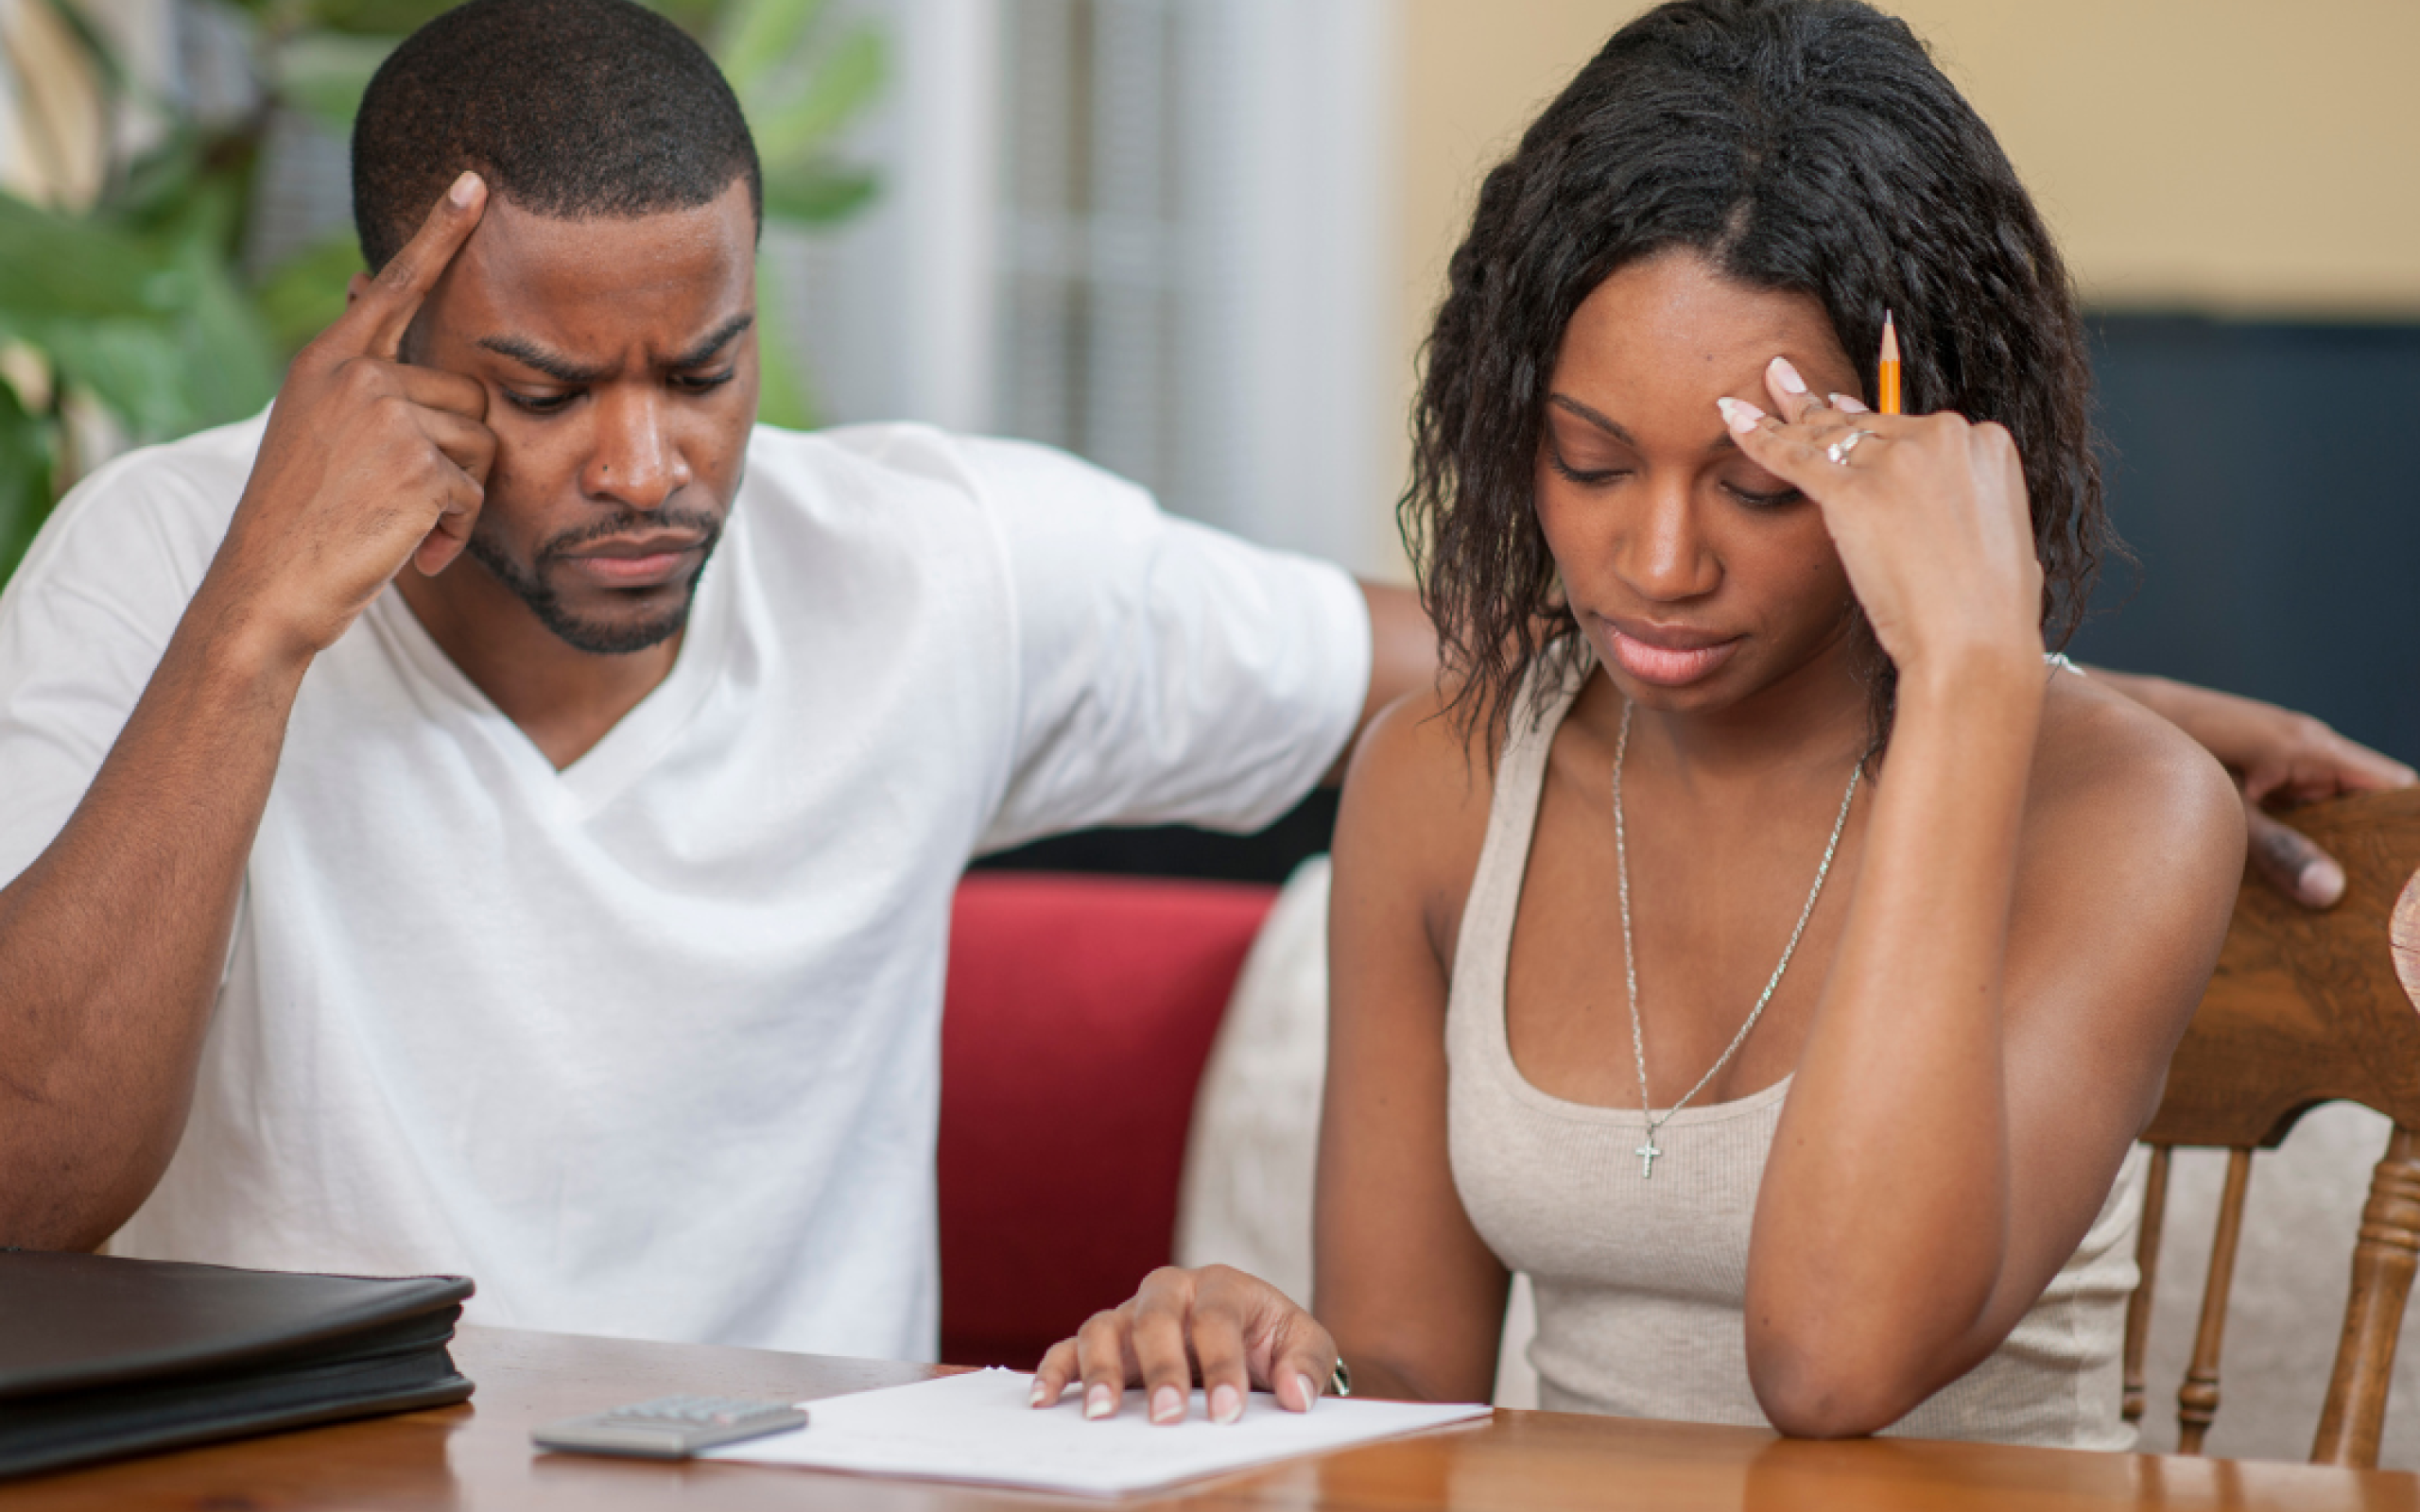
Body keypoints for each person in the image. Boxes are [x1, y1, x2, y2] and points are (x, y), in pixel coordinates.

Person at [0, 0, 2392, 1372]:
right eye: (538, 389)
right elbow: (29, 1190)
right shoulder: (151, 568)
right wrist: (253, 621)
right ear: (388, 352)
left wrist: (2016, 670)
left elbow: (1528, 653)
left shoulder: (924, 563)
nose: (645, 460)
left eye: (702, 367)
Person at [1030, 0, 2396, 1445]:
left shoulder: (2126, 811)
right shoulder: (1441, 780)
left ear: (1930, 453)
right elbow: (1407, 1384)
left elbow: (1834, 1366)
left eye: (1762, 486)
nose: (1663, 563)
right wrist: (1270, 1349)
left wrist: (1971, 676)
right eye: (1591, 461)